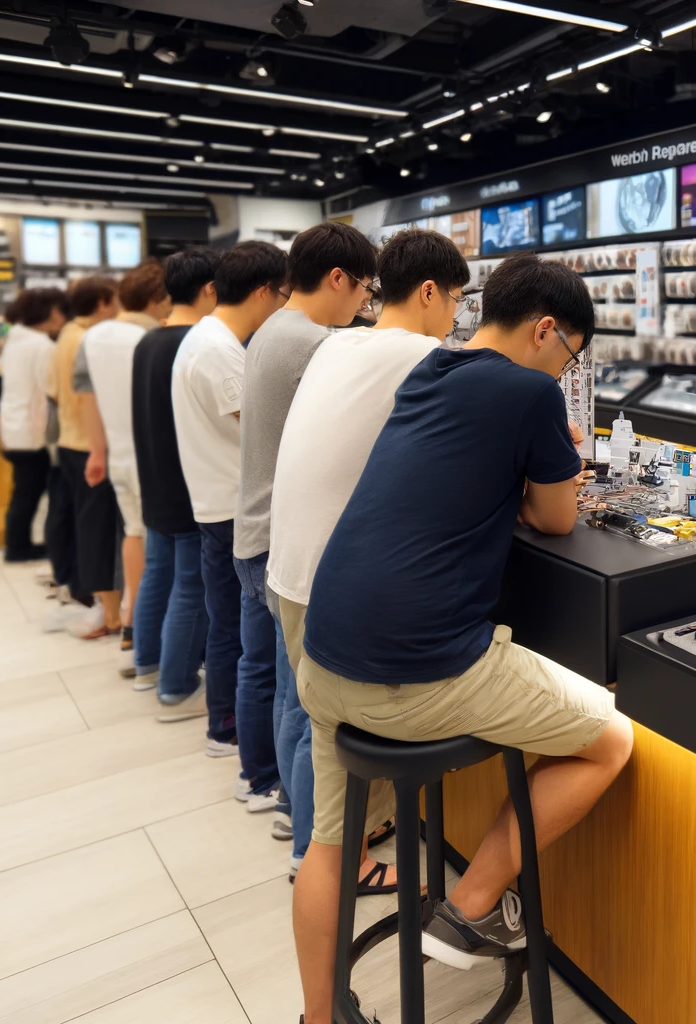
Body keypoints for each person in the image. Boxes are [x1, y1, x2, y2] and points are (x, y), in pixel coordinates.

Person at [291, 252, 633, 1024]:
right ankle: (475, 903)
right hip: (422, 673)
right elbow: (554, 518)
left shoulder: (431, 371)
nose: (564, 370)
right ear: (547, 330)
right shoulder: (527, 392)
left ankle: (319, 1017)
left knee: (328, 844)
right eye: (569, 356)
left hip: (326, 656)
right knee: (613, 740)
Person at [268, 228, 466, 882]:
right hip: (334, 589)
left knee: (311, 716)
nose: (459, 317)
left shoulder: (339, 344)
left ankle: (330, 839)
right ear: (431, 291)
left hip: (290, 571)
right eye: (457, 300)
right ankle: (331, 859)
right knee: (334, 741)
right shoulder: (422, 354)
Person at [233, 222, 377, 818]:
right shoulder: (313, 344)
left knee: (288, 691)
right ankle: (306, 834)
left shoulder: (276, 327)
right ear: (337, 278)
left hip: (256, 534)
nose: (366, 304)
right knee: (307, 702)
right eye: (366, 289)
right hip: (282, 541)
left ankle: (289, 803)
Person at [169, 241, 288, 787]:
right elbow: (260, 430)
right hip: (232, 510)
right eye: (283, 294)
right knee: (245, 642)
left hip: (218, 502)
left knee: (234, 634)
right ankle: (239, 745)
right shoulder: (219, 350)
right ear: (264, 291)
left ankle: (232, 737)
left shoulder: (208, 339)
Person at [129, 249, 221, 742]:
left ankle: (148, 664)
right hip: (187, 484)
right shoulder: (198, 342)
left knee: (156, 576)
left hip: (155, 479)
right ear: (209, 288)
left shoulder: (151, 339)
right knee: (191, 587)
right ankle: (177, 686)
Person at [76, 259, 173, 674]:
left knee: (133, 534)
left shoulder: (94, 336)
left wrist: (97, 451)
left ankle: (132, 624)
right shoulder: (155, 337)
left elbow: (86, 396)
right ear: (156, 299)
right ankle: (151, 631)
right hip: (157, 457)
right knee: (166, 547)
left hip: (117, 452)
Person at [45, 276, 121, 634]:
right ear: (104, 302)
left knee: (83, 525)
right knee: (97, 532)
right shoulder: (88, 339)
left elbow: (54, 390)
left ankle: (96, 602)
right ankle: (107, 612)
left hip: (72, 443)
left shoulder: (66, 335)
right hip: (90, 446)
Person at [0, 287, 66, 563]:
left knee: (23, 491)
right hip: (30, 429)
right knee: (29, 492)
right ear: (49, 312)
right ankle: (18, 548)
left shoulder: (14, 340)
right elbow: (52, 388)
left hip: (14, 427)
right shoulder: (42, 346)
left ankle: (19, 544)